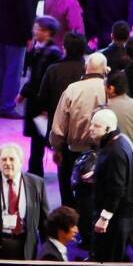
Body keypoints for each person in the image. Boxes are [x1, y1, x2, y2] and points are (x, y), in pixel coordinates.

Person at [92, 108, 133, 266]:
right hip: (121, 217)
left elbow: (117, 187)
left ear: (108, 128)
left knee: (108, 264)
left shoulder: (114, 150)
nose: (91, 129)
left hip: (115, 219)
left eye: (96, 126)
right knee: (116, 262)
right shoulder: (119, 142)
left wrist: (104, 217)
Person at [49, 51, 109, 208]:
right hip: (103, 151)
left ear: (86, 67)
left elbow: (59, 125)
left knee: (70, 193)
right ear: (105, 69)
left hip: (74, 151)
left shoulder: (73, 89)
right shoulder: (109, 89)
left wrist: (56, 148)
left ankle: (70, 224)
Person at [17, 17, 63, 176]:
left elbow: (45, 80)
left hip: (42, 103)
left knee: (42, 139)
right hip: (35, 101)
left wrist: (45, 107)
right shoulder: (37, 48)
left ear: (49, 33)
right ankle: (35, 170)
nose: (36, 32)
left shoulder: (53, 54)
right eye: (36, 28)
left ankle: (37, 171)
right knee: (38, 139)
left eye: (40, 29)